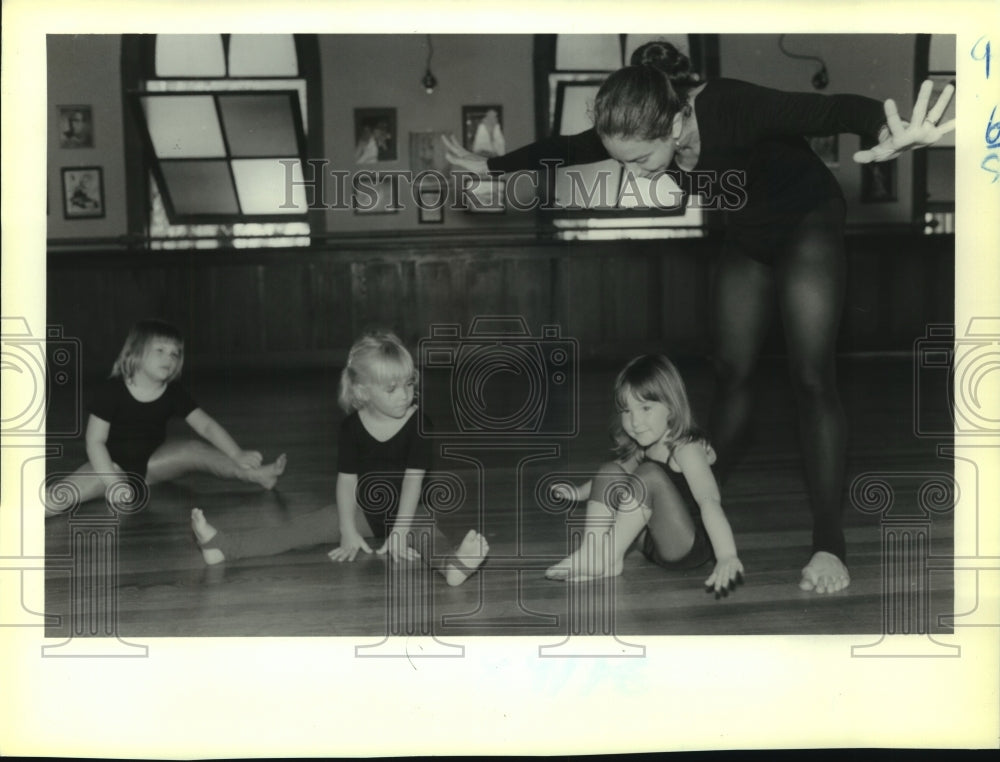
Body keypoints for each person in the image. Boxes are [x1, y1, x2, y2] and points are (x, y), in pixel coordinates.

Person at [443, 41, 955, 595]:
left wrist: (888, 132)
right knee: (732, 368)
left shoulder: (732, 105)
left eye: (639, 160)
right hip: (748, 234)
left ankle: (830, 541)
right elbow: (566, 147)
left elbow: (833, 110)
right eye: (621, 159)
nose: (631, 171)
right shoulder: (641, 123)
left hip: (807, 222)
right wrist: (492, 163)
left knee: (811, 376)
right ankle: (697, 491)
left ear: (678, 118)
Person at [191, 330, 490, 587]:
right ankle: (223, 547)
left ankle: (453, 567)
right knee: (298, 529)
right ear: (363, 391)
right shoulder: (351, 428)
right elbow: (347, 481)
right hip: (360, 510)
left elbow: (414, 481)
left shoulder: (419, 423)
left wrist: (400, 531)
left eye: (409, 383)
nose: (405, 394)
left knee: (428, 536)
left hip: (409, 514)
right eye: (392, 388)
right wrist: (347, 528)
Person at [45, 319, 286, 517]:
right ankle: (26, 512)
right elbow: (94, 442)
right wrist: (112, 483)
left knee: (193, 449)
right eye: (160, 351)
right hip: (110, 466)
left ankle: (256, 475)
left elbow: (206, 426)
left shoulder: (173, 392)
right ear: (136, 353)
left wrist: (236, 453)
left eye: (175, 353)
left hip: (152, 465)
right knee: (60, 497)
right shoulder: (112, 390)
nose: (169, 359)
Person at [545, 354, 742, 595]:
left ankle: (606, 556)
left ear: (671, 406)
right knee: (610, 470)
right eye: (627, 411)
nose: (635, 421)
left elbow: (709, 501)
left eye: (645, 408)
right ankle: (594, 552)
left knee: (649, 475)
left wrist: (727, 555)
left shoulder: (687, 448)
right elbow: (607, 478)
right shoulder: (644, 445)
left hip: (685, 547)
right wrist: (578, 492)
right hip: (651, 542)